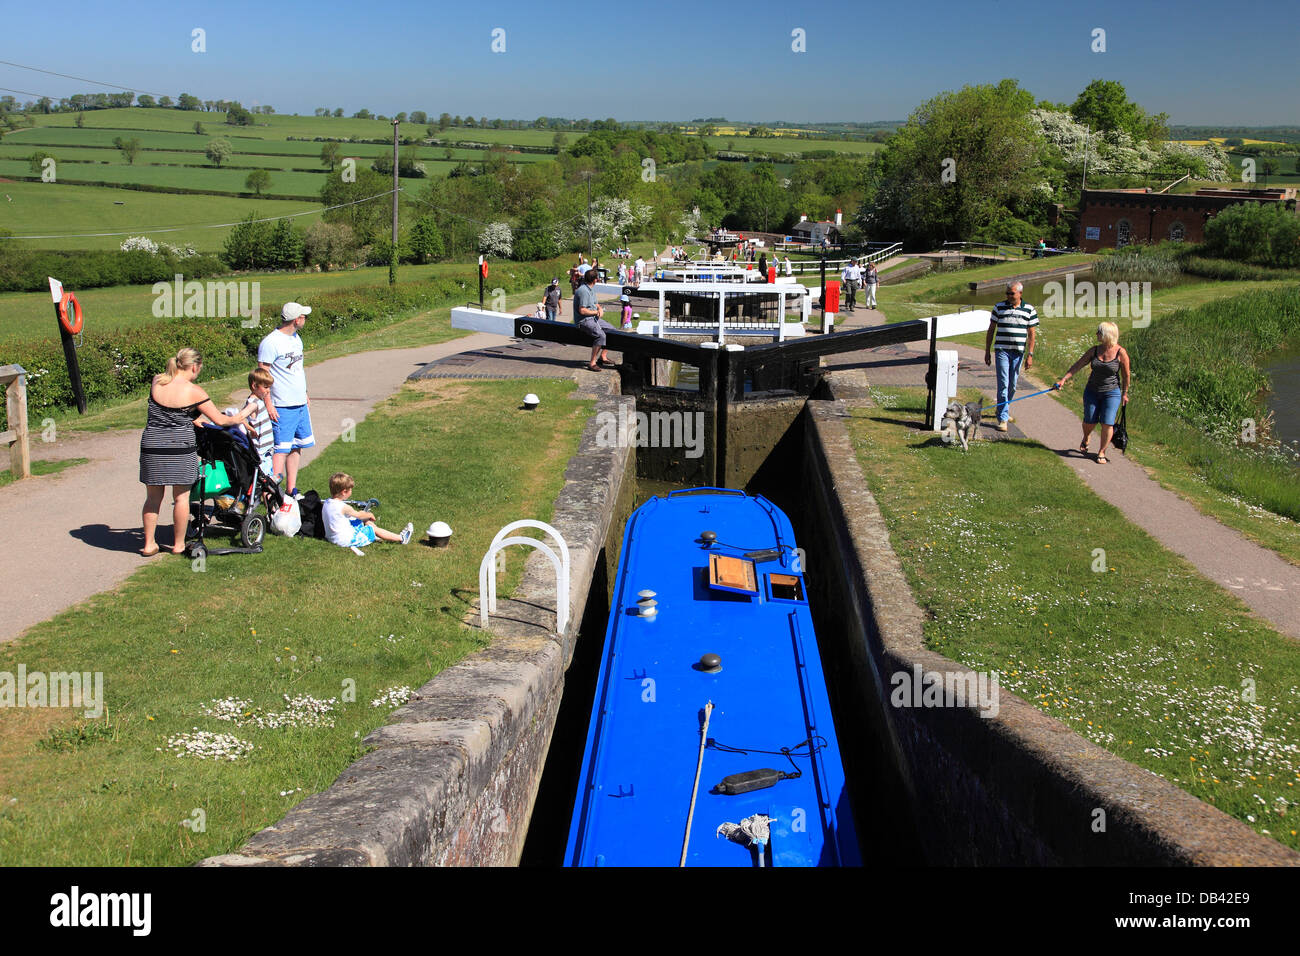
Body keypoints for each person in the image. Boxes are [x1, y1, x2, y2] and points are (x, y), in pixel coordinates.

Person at [139, 348, 255, 556]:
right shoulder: (194, 392)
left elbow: (167, 411)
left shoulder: (158, 381)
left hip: (152, 445)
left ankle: (149, 544)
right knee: (182, 498)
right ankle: (178, 545)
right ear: (194, 366)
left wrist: (191, 418)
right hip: (179, 449)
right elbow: (223, 421)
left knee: (153, 498)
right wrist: (248, 410)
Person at [258, 302, 314, 497]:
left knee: (296, 446)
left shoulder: (297, 339)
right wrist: (268, 403)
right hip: (282, 405)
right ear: (296, 319)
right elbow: (262, 377)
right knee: (281, 449)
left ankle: (291, 490)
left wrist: (304, 393)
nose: (305, 319)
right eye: (303, 316)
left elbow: (297, 370)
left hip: (299, 403)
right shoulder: (270, 343)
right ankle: (272, 493)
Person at [1055, 321, 1130, 464]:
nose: (1096, 334)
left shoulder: (1121, 353)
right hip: (1092, 391)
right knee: (1089, 420)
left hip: (1111, 393)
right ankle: (1086, 437)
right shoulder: (1094, 350)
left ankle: (1101, 452)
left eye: (1099, 332)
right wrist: (1063, 379)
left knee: (1107, 423)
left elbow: (1126, 375)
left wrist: (1125, 393)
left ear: (1107, 335)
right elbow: (1078, 365)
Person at [984, 281, 1038, 431]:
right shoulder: (999, 307)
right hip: (1002, 350)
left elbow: (1032, 334)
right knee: (1003, 384)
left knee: (1012, 385)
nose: (1009, 296)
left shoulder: (1029, 310)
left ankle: (1002, 409)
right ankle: (1003, 419)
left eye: (1012, 293)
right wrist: (987, 351)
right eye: (1007, 293)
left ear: (1020, 293)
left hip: (1018, 352)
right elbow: (991, 330)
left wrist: (1030, 354)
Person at [322, 472, 412, 549]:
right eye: (350, 489)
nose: (351, 491)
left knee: (361, 521)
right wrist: (369, 515)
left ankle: (377, 533)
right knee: (371, 527)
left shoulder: (327, 502)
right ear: (344, 492)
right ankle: (401, 538)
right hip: (345, 540)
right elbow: (360, 515)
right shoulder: (344, 507)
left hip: (332, 538)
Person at [574, 269, 617, 370]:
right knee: (600, 335)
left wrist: (600, 308)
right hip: (584, 321)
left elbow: (595, 303)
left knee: (613, 331)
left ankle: (603, 356)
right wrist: (596, 312)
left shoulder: (591, 288)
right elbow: (582, 310)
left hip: (593, 318)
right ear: (595, 280)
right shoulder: (583, 291)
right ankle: (592, 363)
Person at [242, 367, 276, 478]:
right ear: (254, 386)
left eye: (269, 387)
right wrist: (250, 428)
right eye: (265, 387)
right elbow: (239, 417)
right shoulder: (254, 403)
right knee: (266, 481)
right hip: (261, 453)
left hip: (266, 450)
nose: (268, 390)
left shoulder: (257, 401)